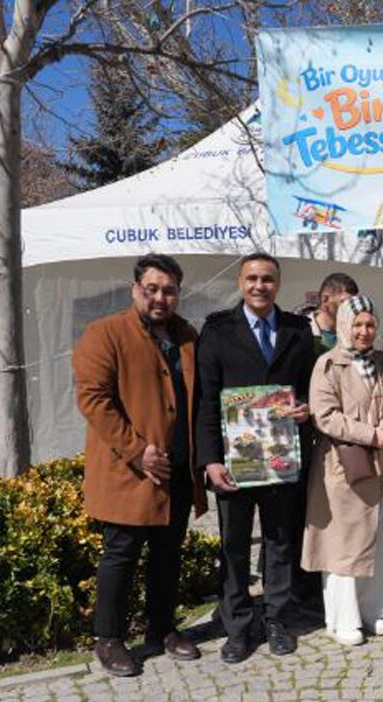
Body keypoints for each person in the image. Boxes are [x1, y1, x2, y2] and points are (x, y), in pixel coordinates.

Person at [72, 253, 207, 676]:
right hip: (131, 470)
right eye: (151, 289)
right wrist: (136, 449)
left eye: (168, 290)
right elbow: (93, 399)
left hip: (178, 470)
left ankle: (162, 628)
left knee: (168, 554)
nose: (160, 298)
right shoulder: (105, 333)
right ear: (135, 290)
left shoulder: (188, 336)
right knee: (121, 554)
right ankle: (109, 639)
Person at [195, 252, 316, 664]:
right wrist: (211, 460)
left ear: (277, 284)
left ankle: (278, 619)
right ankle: (238, 626)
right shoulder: (216, 331)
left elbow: (309, 391)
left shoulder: (299, 331)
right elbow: (206, 402)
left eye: (267, 279)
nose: (259, 286)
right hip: (235, 463)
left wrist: (305, 409)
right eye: (252, 278)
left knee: (280, 541)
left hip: (282, 459)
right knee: (233, 547)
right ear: (241, 283)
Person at [302, 295, 383, 645]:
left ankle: (375, 610)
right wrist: (371, 433)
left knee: (374, 538)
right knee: (343, 543)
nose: (364, 331)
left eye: (370, 324)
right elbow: (324, 415)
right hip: (343, 464)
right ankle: (344, 617)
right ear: (345, 325)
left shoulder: (381, 362)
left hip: (377, 461)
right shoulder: (328, 364)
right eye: (357, 324)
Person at [309, 272, 359, 354]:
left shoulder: (354, 334)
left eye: (353, 303)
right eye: (344, 302)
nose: (350, 308)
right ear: (325, 299)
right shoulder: (302, 332)